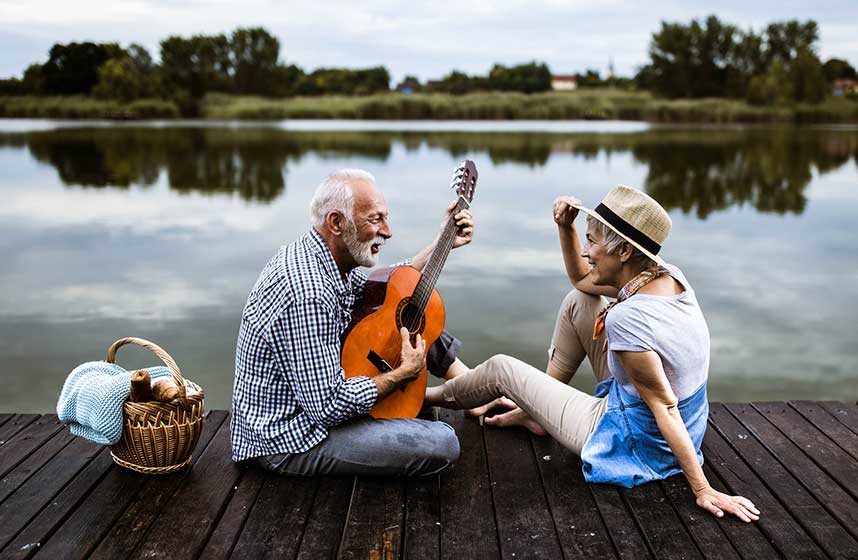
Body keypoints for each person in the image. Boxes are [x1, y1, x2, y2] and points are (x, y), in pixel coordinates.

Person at [426, 185, 760, 522]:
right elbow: (582, 282)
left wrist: (703, 489)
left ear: (625, 251)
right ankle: (535, 412)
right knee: (581, 303)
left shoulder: (629, 318)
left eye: (593, 242)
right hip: (677, 421)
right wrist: (565, 228)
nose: (586, 251)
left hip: (636, 441)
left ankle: (425, 397)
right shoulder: (667, 275)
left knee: (500, 369)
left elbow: (666, 407)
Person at [231, 168, 474, 478]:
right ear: (336, 222)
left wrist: (443, 242)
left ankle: (472, 390)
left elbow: (392, 282)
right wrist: (401, 375)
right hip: (290, 439)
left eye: (385, 218)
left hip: (316, 409)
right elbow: (328, 408)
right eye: (375, 219)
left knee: (408, 309)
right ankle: (453, 394)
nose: (387, 231)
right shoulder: (308, 292)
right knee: (442, 442)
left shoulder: (325, 258)